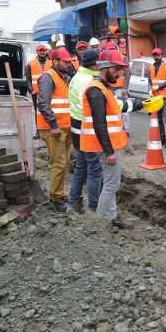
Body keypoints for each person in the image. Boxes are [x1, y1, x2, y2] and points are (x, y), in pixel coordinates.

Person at [80, 50, 143, 229]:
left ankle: (112, 216)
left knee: (110, 183)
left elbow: (114, 112)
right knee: (111, 184)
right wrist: (109, 151)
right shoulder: (96, 90)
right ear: (105, 67)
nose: (119, 73)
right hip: (105, 146)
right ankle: (100, 222)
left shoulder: (104, 88)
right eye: (117, 69)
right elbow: (100, 124)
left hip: (107, 144)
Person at [37, 48, 74, 211]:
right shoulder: (48, 77)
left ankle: (58, 194)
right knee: (59, 163)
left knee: (63, 163)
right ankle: (56, 197)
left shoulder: (64, 77)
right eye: (65, 61)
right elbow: (43, 103)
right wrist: (53, 125)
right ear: (55, 61)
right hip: (54, 129)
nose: (68, 64)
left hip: (64, 127)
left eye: (68, 61)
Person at [66, 48, 103, 213]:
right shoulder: (87, 81)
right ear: (94, 64)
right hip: (86, 130)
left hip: (76, 128)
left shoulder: (77, 77)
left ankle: (73, 202)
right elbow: (91, 109)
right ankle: (95, 207)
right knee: (95, 169)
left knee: (81, 167)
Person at [148, 47, 166, 148]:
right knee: (158, 120)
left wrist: (159, 86)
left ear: (161, 55)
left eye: (157, 55)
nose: (156, 57)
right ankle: (162, 139)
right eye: (154, 55)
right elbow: (150, 80)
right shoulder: (151, 67)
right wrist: (150, 89)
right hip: (155, 97)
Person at [26, 44, 52, 139]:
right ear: (37, 51)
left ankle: (49, 128)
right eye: (40, 50)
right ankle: (38, 131)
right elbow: (28, 78)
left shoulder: (51, 63)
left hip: (49, 91)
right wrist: (31, 90)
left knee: (48, 109)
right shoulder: (31, 63)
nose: (42, 52)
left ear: (46, 51)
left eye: (44, 50)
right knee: (38, 111)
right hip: (36, 92)